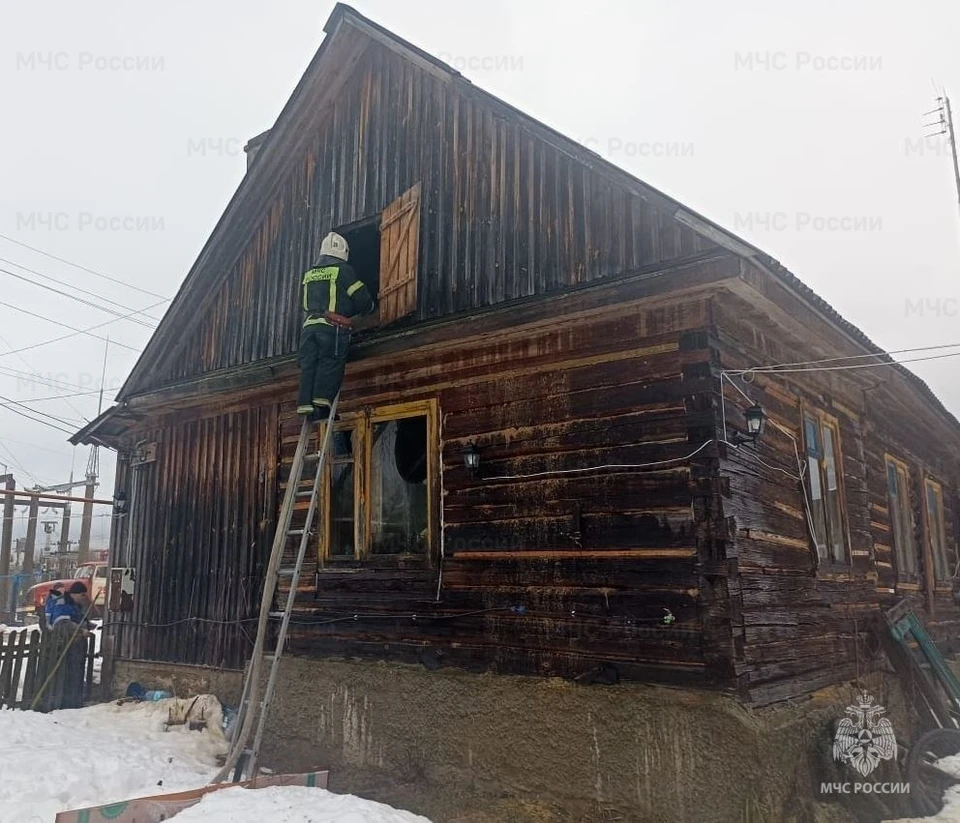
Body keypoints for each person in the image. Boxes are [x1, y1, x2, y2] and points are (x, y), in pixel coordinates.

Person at [297, 232, 376, 421]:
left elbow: (303, 302)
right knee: (330, 362)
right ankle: (322, 405)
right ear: (343, 252)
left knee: (309, 365)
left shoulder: (308, 274)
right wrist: (370, 308)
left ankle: (305, 405)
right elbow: (359, 295)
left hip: (308, 328)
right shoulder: (343, 270)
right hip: (332, 327)